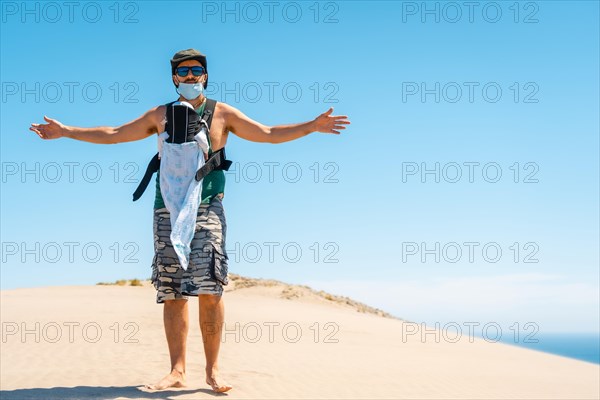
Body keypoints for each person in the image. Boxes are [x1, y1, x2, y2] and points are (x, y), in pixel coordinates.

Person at [29, 48, 351, 393]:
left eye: (196, 70)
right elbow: (114, 133)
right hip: (166, 207)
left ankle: (213, 371)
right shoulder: (161, 114)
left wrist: (312, 126)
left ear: (206, 75)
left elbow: (268, 132)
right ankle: (177, 370)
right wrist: (66, 132)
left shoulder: (221, 113)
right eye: (183, 72)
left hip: (208, 206)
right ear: (174, 78)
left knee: (211, 288)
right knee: (172, 291)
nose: (190, 76)